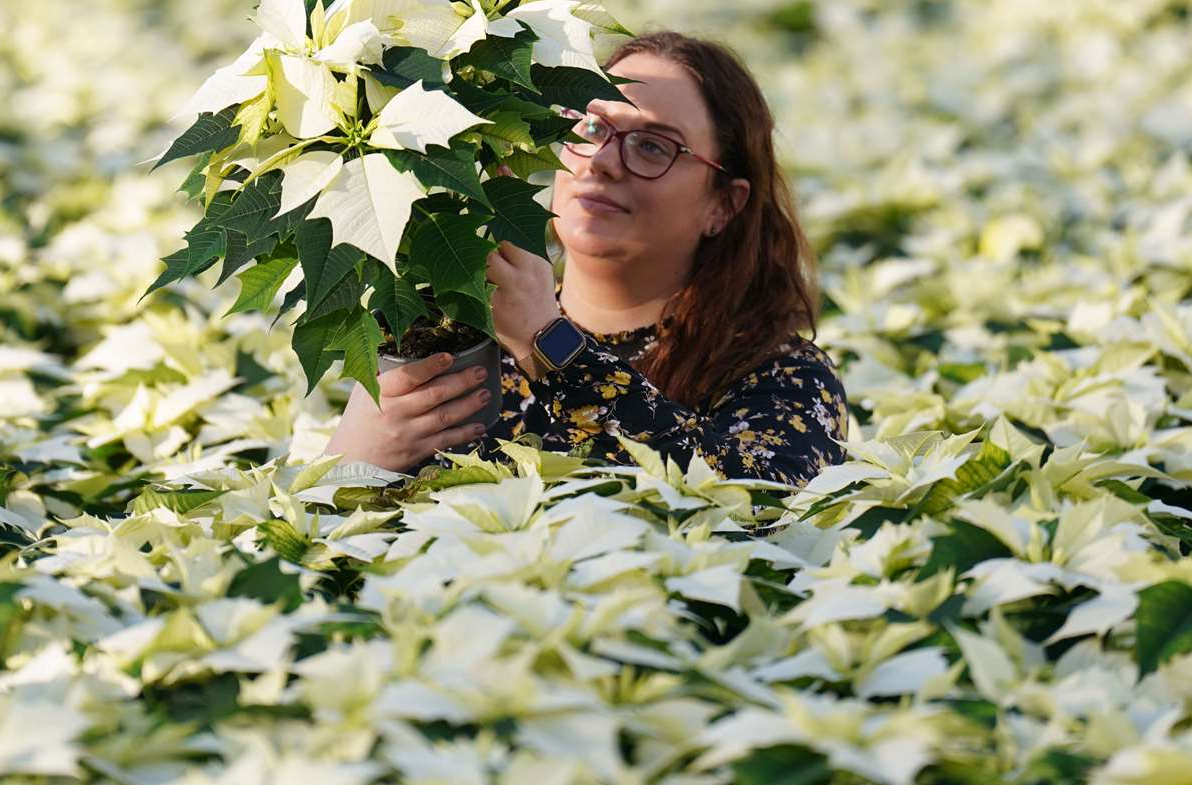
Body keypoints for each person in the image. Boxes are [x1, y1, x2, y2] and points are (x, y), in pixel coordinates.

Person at [324, 29, 848, 487]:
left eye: (652, 147)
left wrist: (549, 344)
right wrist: (350, 465)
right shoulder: (459, 348)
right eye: (591, 128)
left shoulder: (781, 374)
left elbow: (758, 505)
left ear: (723, 204)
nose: (602, 162)